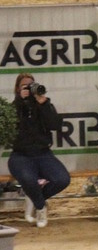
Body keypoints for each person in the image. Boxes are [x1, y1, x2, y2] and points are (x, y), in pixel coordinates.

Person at [8, 73, 70, 228]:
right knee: (28, 179)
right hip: (20, 155)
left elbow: (55, 125)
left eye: (32, 85)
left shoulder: (43, 105)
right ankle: (41, 207)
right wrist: (19, 101)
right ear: (17, 89)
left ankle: (34, 197)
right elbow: (9, 129)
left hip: (43, 153)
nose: (29, 89)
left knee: (62, 179)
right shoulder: (13, 107)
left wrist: (43, 103)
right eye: (25, 86)